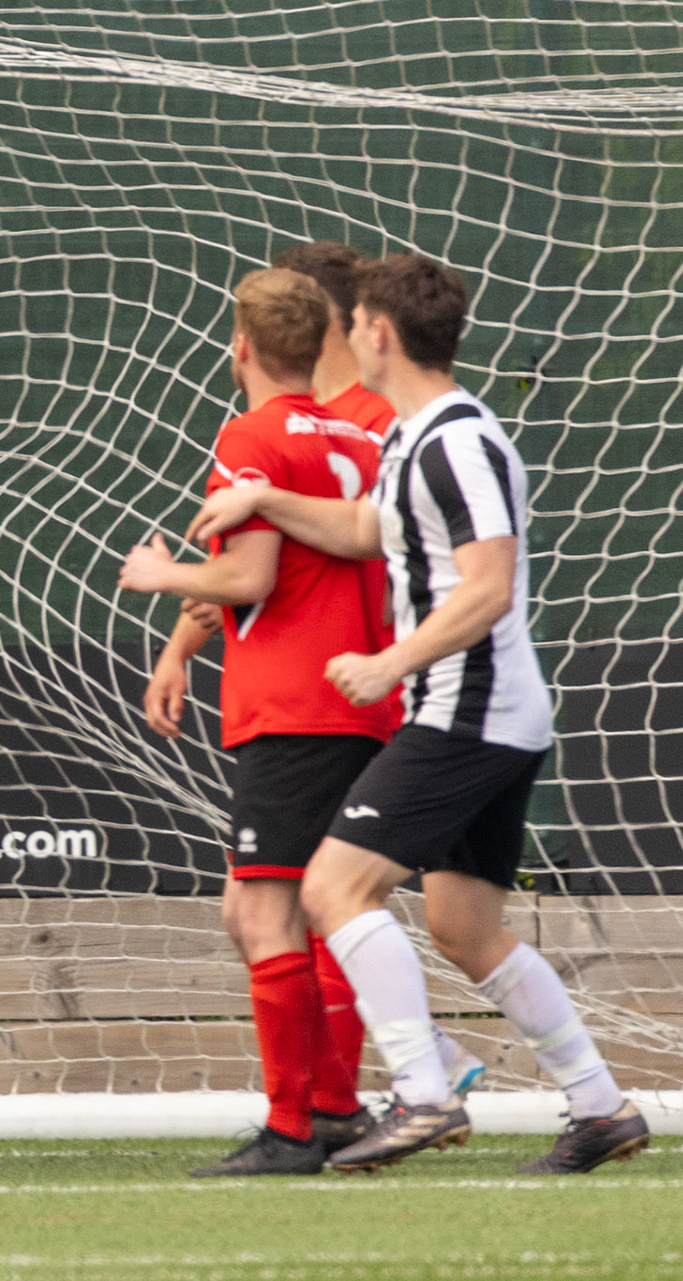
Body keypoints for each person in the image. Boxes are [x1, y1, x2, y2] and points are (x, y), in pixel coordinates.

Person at [188, 254, 648, 1175]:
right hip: (483, 711)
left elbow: (489, 585)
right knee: (465, 929)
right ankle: (602, 1107)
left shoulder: (458, 441)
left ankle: (423, 1093)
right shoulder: (410, 437)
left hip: (467, 709)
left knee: (330, 889)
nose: (341, 337)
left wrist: (388, 661)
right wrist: (267, 497)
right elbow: (367, 530)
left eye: (351, 323)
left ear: (379, 333)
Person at [122, 266, 407, 1174]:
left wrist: (162, 575)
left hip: (295, 705)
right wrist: (183, 640)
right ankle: (330, 1106)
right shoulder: (359, 434)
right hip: (356, 700)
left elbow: (248, 577)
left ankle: (297, 1124)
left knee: (262, 912)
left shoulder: (251, 433)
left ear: (239, 346)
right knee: (290, 908)